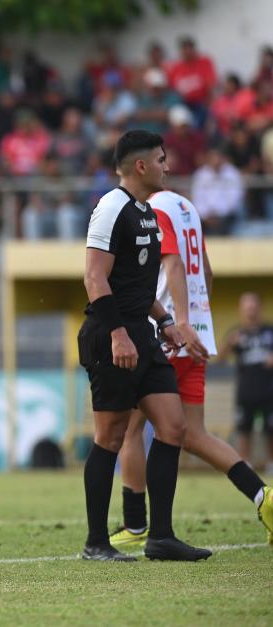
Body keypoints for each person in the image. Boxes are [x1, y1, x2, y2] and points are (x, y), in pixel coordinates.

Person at [111, 193, 272, 550]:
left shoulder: (152, 209)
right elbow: (207, 271)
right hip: (196, 335)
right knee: (194, 434)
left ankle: (136, 524)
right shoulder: (189, 209)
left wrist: (179, 321)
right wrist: (197, 323)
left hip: (166, 333)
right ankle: (264, 495)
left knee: (129, 428)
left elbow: (172, 265)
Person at [78, 129, 211, 562]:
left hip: (144, 333)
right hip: (110, 334)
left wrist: (166, 321)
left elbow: (137, 287)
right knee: (110, 436)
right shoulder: (111, 209)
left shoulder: (148, 213)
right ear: (140, 166)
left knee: (172, 427)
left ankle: (161, 537)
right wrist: (118, 334)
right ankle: (97, 542)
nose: (166, 166)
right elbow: (95, 278)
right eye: (161, 159)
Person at [217, 293, 273, 473]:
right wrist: (228, 343)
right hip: (245, 390)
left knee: (270, 429)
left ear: (259, 308)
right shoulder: (236, 333)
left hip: (269, 390)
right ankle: (245, 465)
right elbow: (220, 360)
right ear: (241, 310)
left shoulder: (269, 332)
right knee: (243, 429)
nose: (251, 311)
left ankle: (271, 464)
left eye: (254, 307)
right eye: (247, 308)